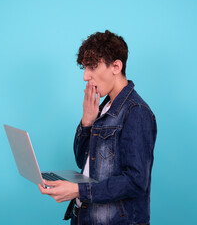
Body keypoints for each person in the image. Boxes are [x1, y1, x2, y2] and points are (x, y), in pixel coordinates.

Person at [39, 30, 157, 224]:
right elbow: (82, 162)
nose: (86, 76)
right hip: (85, 217)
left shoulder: (136, 112)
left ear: (116, 66)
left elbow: (136, 182)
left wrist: (77, 190)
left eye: (92, 67)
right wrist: (87, 122)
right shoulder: (103, 108)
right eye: (85, 68)